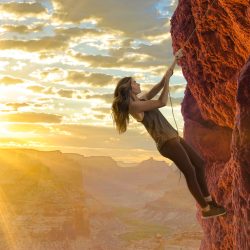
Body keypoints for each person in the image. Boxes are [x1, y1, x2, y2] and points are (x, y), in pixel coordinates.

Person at [111, 49, 227, 219]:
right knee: (189, 171)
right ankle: (206, 209)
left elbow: (159, 84)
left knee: (199, 164)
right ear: (129, 88)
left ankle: (209, 202)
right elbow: (161, 102)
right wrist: (167, 84)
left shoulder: (141, 100)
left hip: (174, 138)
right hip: (167, 143)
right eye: (135, 82)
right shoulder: (134, 107)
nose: (138, 84)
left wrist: (174, 61)